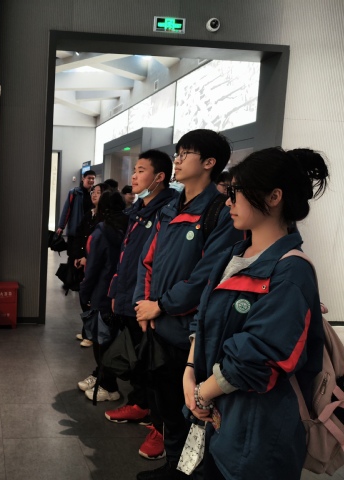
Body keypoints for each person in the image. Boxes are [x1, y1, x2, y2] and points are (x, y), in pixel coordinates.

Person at [184, 147, 328, 480]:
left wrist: (200, 394)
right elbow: (204, 319)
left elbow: (258, 357)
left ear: (274, 197)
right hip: (219, 420)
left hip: (256, 434)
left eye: (236, 192)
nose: (229, 202)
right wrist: (190, 372)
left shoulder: (291, 272)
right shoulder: (234, 255)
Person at [133, 129, 244, 480]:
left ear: (209, 163)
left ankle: (183, 473)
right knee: (165, 406)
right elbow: (148, 260)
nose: (177, 160)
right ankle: (173, 467)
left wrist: (161, 305)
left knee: (189, 412)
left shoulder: (219, 212)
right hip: (158, 324)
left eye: (185, 154)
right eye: (177, 153)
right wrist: (144, 304)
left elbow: (206, 278)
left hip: (187, 334)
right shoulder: (170, 206)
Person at [104, 150, 177, 461]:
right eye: (134, 169)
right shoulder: (138, 210)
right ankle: (140, 404)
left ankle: (161, 427)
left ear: (160, 177)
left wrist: (149, 302)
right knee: (139, 359)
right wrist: (117, 293)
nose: (133, 176)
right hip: (132, 298)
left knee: (156, 366)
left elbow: (157, 265)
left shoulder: (168, 211)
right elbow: (128, 259)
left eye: (141, 170)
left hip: (151, 303)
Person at [77, 190, 127, 399]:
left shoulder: (101, 232)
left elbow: (92, 270)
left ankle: (109, 387)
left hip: (101, 293)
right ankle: (101, 376)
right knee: (111, 339)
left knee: (101, 341)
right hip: (120, 293)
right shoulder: (130, 227)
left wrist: (84, 295)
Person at [74, 182, 110, 347]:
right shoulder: (89, 213)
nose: (94, 195)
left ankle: (90, 334)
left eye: (98, 192)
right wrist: (78, 255)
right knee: (84, 296)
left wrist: (88, 258)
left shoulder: (106, 218)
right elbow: (80, 235)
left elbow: (99, 245)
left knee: (92, 299)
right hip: (84, 261)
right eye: (93, 192)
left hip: (95, 264)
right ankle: (86, 331)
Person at [57, 170, 96, 292]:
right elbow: (67, 210)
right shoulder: (74, 193)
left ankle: (79, 281)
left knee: (83, 256)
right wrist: (61, 226)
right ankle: (69, 281)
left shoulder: (94, 194)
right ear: (83, 179)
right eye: (89, 178)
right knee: (72, 256)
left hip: (87, 232)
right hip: (75, 231)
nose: (91, 180)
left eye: (93, 178)